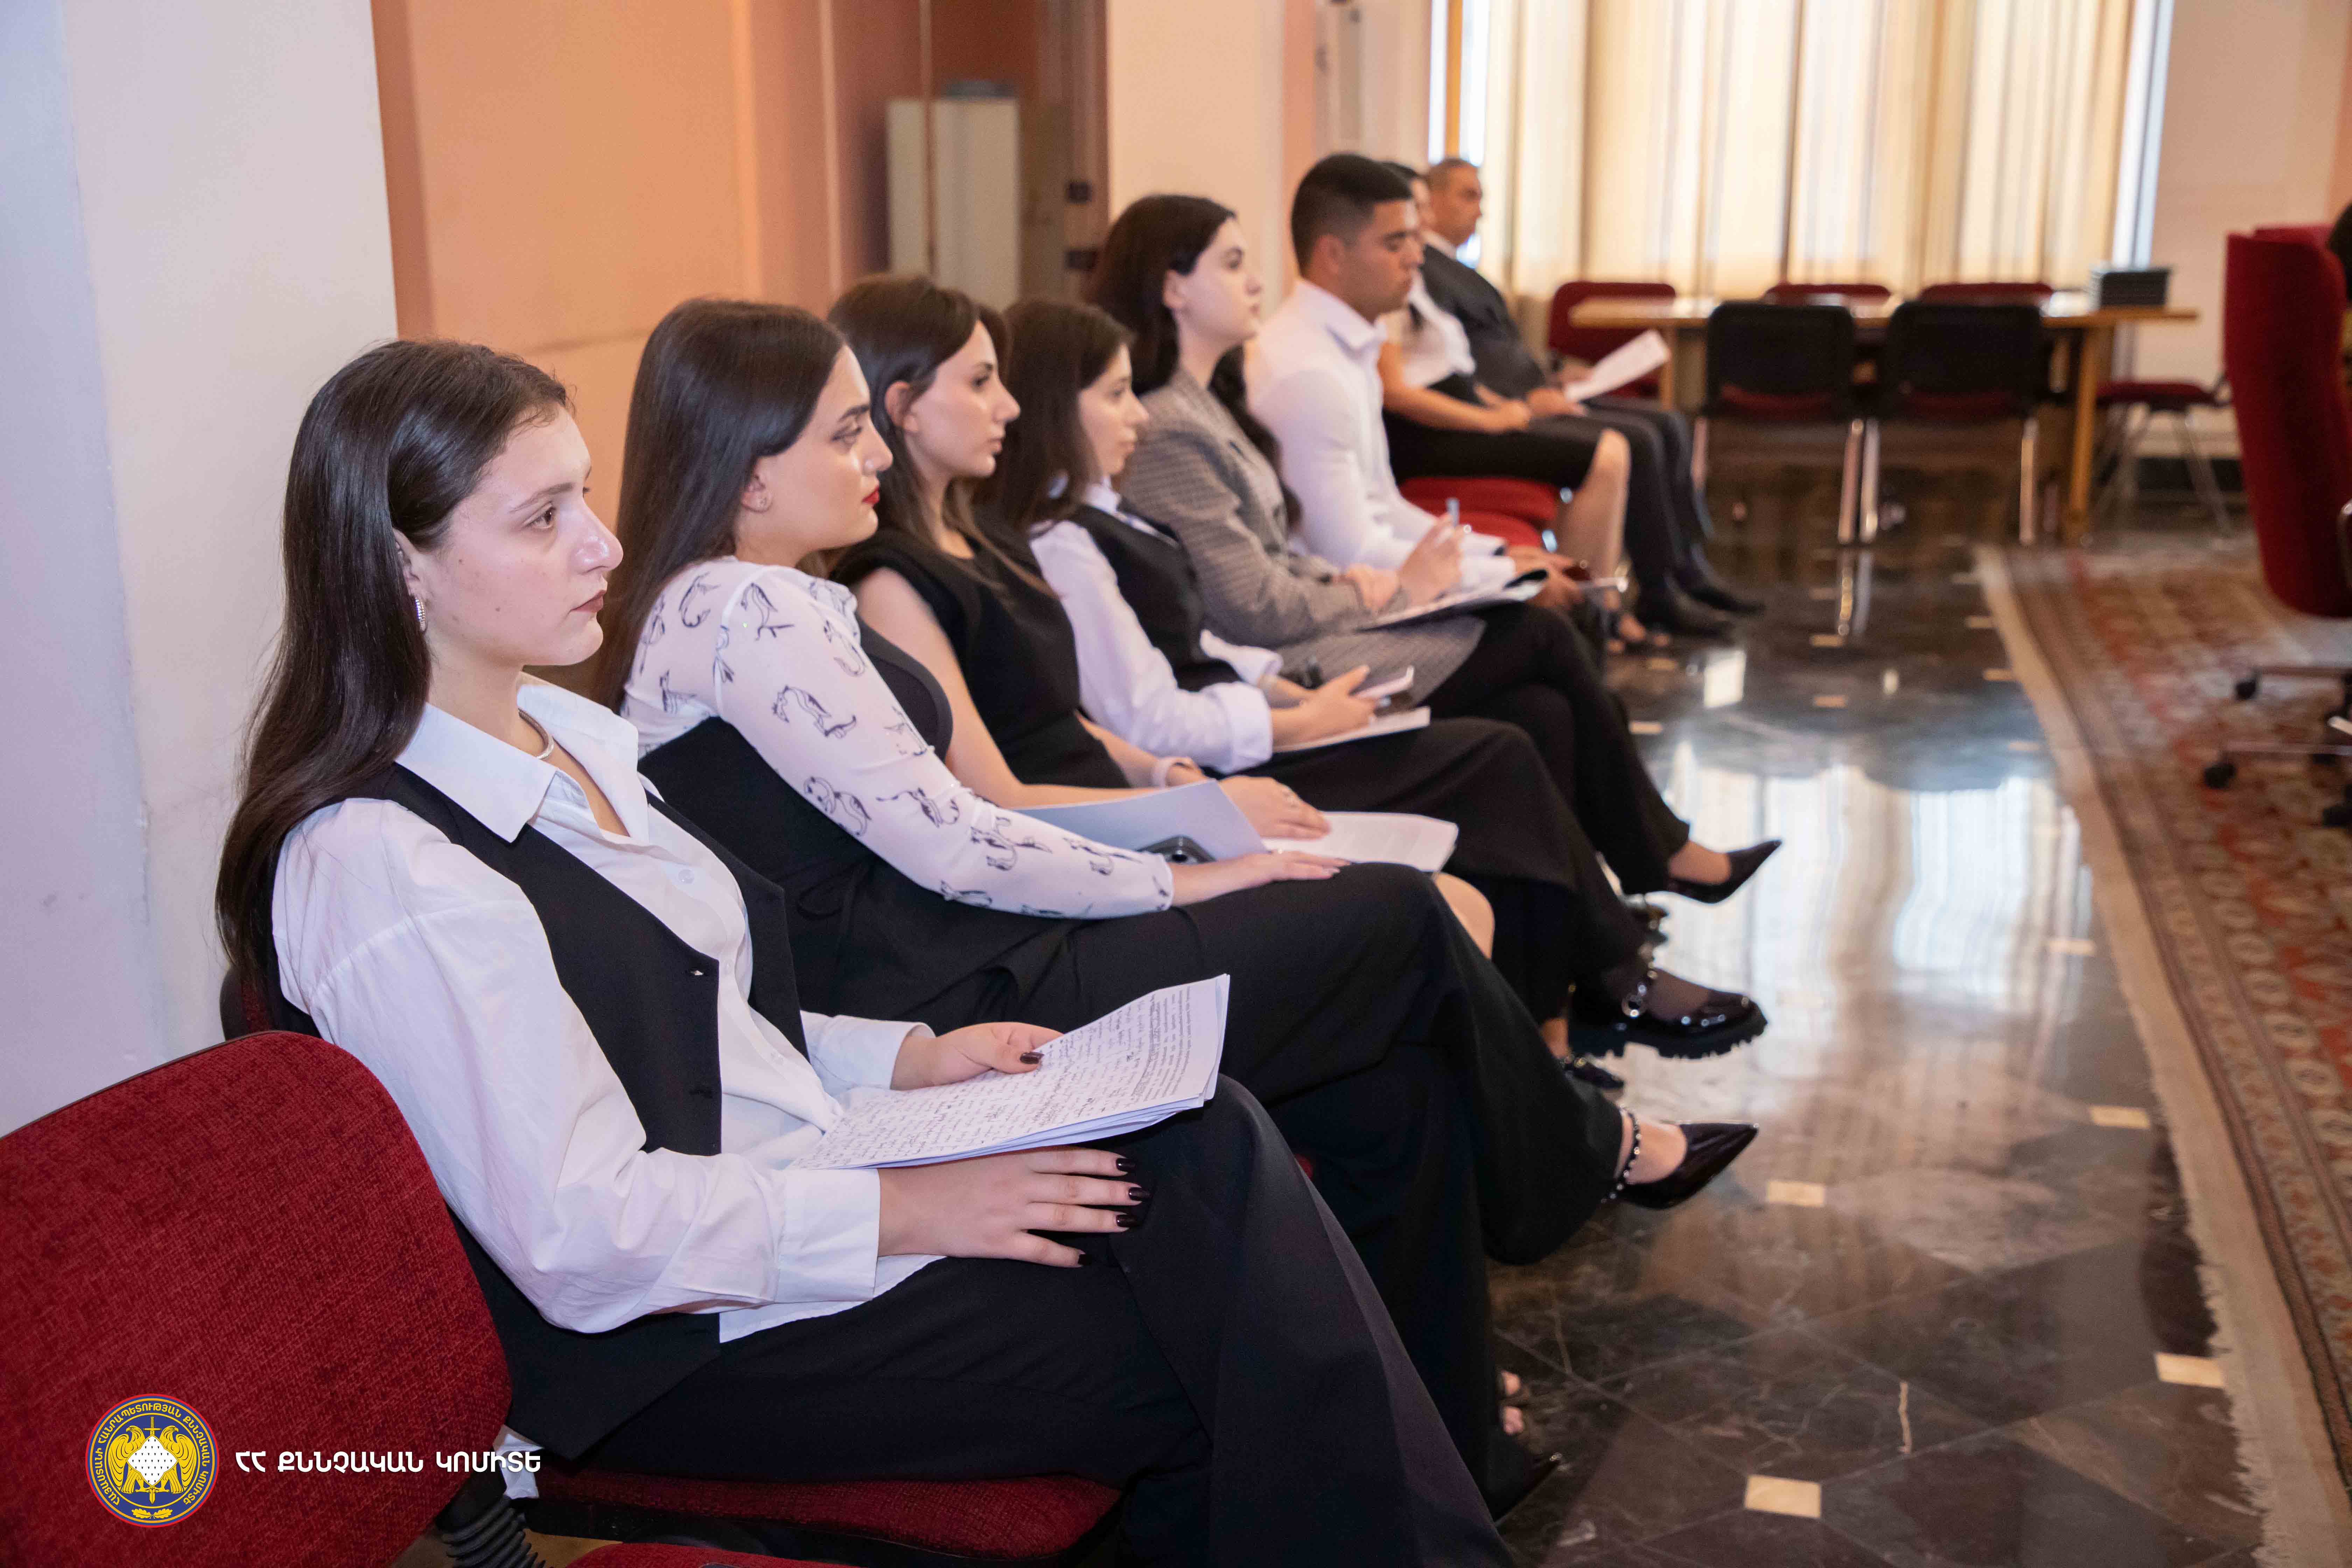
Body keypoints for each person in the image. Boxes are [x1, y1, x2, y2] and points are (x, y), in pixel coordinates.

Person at [217, 337, 1521, 1565]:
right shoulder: (383, 863)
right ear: (400, 565)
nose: (602, 544)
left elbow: (709, 1024)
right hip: (687, 1342)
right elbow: (582, 1232)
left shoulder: (566, 739)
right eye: (542, 517)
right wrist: (913, 1207)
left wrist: (907, 1059)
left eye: (587, 498)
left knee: (1206, 1139)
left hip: (802, 1189)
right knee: (1219, 1331)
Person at [590, 296, 1759, 1512]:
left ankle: (1452, 1428)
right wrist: (1189, 875)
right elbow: (957, 845)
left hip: (959, 956)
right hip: (953, 988)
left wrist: (1177, 832)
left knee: (1392, 1070)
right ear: (751, 469)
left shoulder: (749, 597)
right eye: (844, 435)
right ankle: (1582, 1157)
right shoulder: (746, 606)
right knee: (1396, 919)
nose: (872, 452)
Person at [991, 293, 1752, 1065]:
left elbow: (1199, 639)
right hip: (1231, 762)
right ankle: (1612, 973)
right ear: (1056, 410)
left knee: (1535, 714)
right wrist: (1297, 719)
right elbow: (1150, 719)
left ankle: (1551, 1018)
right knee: (1505, 741)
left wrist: (1286, 690)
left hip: (1260, 715)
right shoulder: (1064, 544)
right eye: (1117, 395)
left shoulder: (1105, 513)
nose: (1139, 415)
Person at [1096, 192, 1785, 962]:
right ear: (1173, 287)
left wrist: (1372, 579)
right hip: (1289, 662)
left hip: (1310, 625)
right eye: (1232, 264)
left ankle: (1582, 950)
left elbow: (1284, 552)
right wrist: (1380, 588)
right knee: (1540, 634)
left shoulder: (1208, 403)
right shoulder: (1175, 423)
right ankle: (1651, 870)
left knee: (1540, 709)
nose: (1256, 280)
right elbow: (1253, 604)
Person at [1418, 156, 1760, 620]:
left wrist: (1556, 372)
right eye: (1468, 196)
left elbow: (1497, 348)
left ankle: (1689, 566)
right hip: (1508, 407)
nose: (1480, 210)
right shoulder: (1424, 271)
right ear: (1431, 201)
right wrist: (1523, 400)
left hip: (1535, 393)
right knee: (1639, 438)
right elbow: (1456, 364)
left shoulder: (1454, 269)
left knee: (1668, 421)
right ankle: (1659, 589)